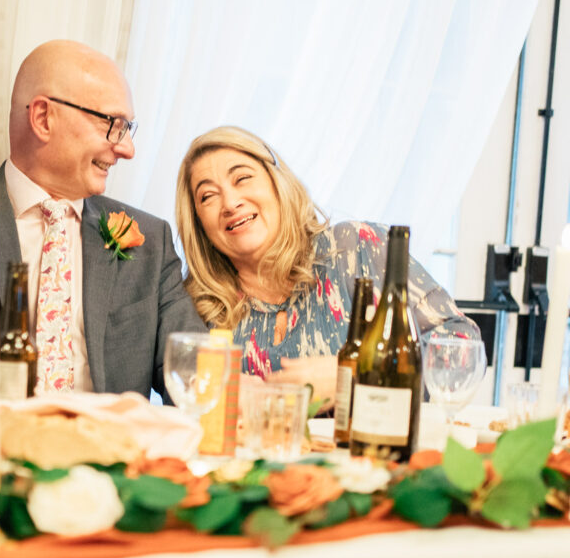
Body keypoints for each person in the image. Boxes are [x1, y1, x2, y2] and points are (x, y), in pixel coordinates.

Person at [0, 39, 205, 419]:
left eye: (128, 128)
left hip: (108, 462)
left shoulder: (149, 239)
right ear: (44, 118)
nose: (127, 148)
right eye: (112, 124)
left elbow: (195, 368)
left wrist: (235, 390)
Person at [175, 125, 479, 402]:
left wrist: (353, 374)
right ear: (198, 223)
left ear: (276, 183)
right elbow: (184, 396)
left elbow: (461, 344)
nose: (230, 203)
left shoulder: (355, 248)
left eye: (242, 178)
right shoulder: (199, 305)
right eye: (208, 196)